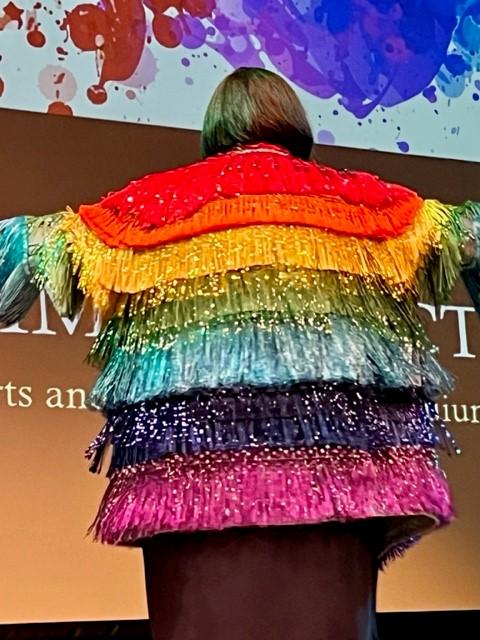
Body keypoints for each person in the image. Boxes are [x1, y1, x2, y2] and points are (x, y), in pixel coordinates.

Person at [0, 67, 478, 640]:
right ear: (296, 124)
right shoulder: (366, 204)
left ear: (216, 128)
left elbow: (33, 244)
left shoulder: (150, 206)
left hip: (186, 495)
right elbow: (461, 234)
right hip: (339, 491)